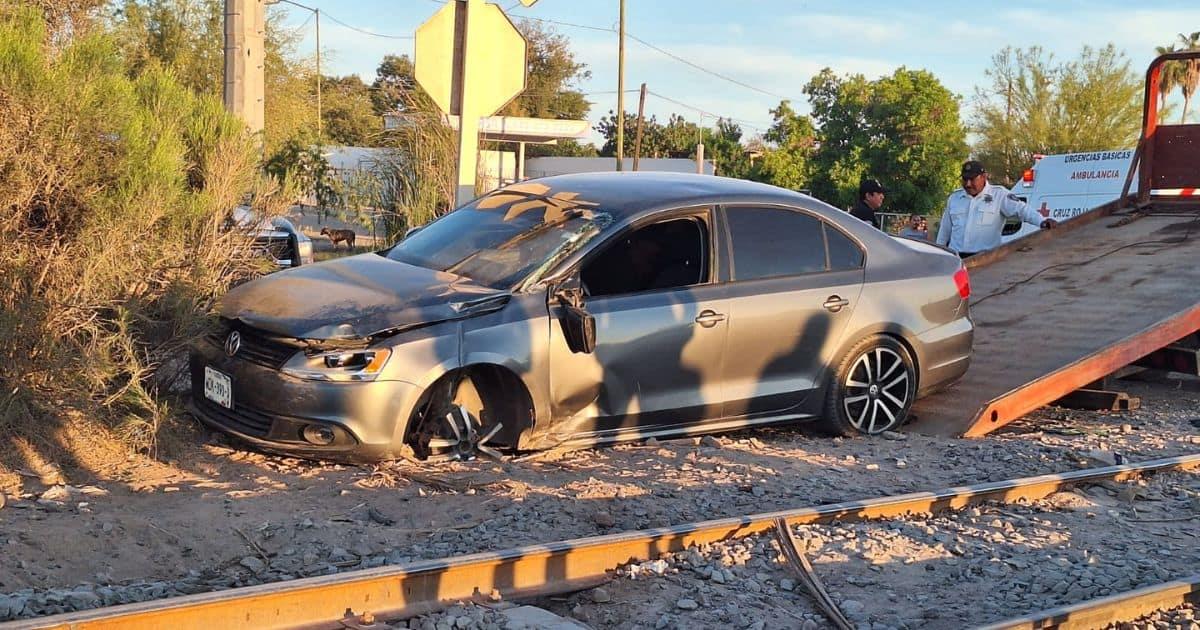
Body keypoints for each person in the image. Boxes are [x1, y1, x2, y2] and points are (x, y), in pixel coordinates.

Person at [936, 160, 1057, 257]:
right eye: (965, 179)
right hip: (956, 259)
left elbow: (1022, 210)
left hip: (986, 260)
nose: (967, 184)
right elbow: (944, 230)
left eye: (972, 179)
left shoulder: (999, 195)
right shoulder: (955, 198)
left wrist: (1042, 222)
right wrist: (938, 255)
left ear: (984, 177)